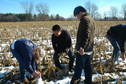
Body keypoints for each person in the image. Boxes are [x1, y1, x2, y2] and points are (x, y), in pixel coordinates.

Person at [71, 6, 95, 84]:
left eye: (77, 15)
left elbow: (86, 34)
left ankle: (74, 82)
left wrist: (82, 47)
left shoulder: (84, 19)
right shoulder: (91, 19)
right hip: (89, 49)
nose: (77, 17)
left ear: (80, 12)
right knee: (88, 68)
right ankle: (88, 82)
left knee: (78, 69)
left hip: (83, 50)